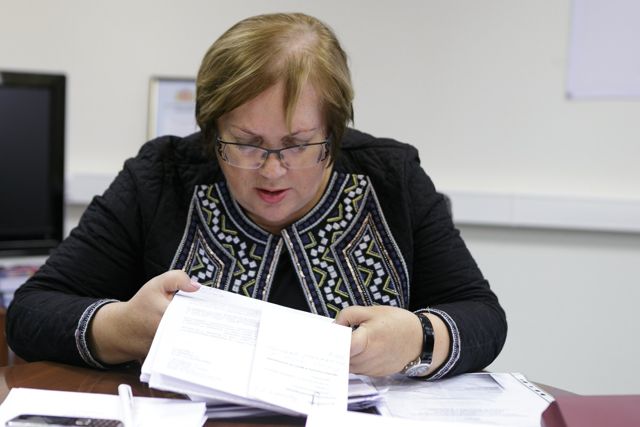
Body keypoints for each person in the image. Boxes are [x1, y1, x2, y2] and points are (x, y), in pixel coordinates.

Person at [6, 12, 506, 379]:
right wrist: (123, 327)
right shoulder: (160, 178)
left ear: (334, 133)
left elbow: (481, 315)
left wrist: (419, 339)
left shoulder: (390, 178)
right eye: (245, 144)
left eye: (298, 144)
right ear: (211, 131)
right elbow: (31, 312)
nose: (271, 171)